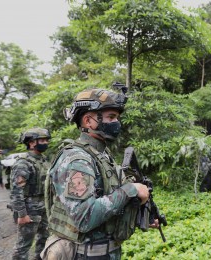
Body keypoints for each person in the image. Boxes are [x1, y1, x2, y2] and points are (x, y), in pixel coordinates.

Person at [41, 88, 156, 260]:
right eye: (111, 117)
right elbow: (84, 217)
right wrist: (130, 190)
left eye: (117, 117)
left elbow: (109, 199)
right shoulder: (77, 160)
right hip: (83, 254)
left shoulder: (102, 154)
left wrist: (140, 211)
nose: (117, 122)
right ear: (88, 121)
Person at [10, 128, 51, 260]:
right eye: (42, 140)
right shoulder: (23, 163)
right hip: (29, 209)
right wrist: (22, 214)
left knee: (44, 241)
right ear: (32, 143)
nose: (46, 143)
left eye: (46, 140)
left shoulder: (44, 160)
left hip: (44, 207)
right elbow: (16, 192)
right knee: (23, 245)